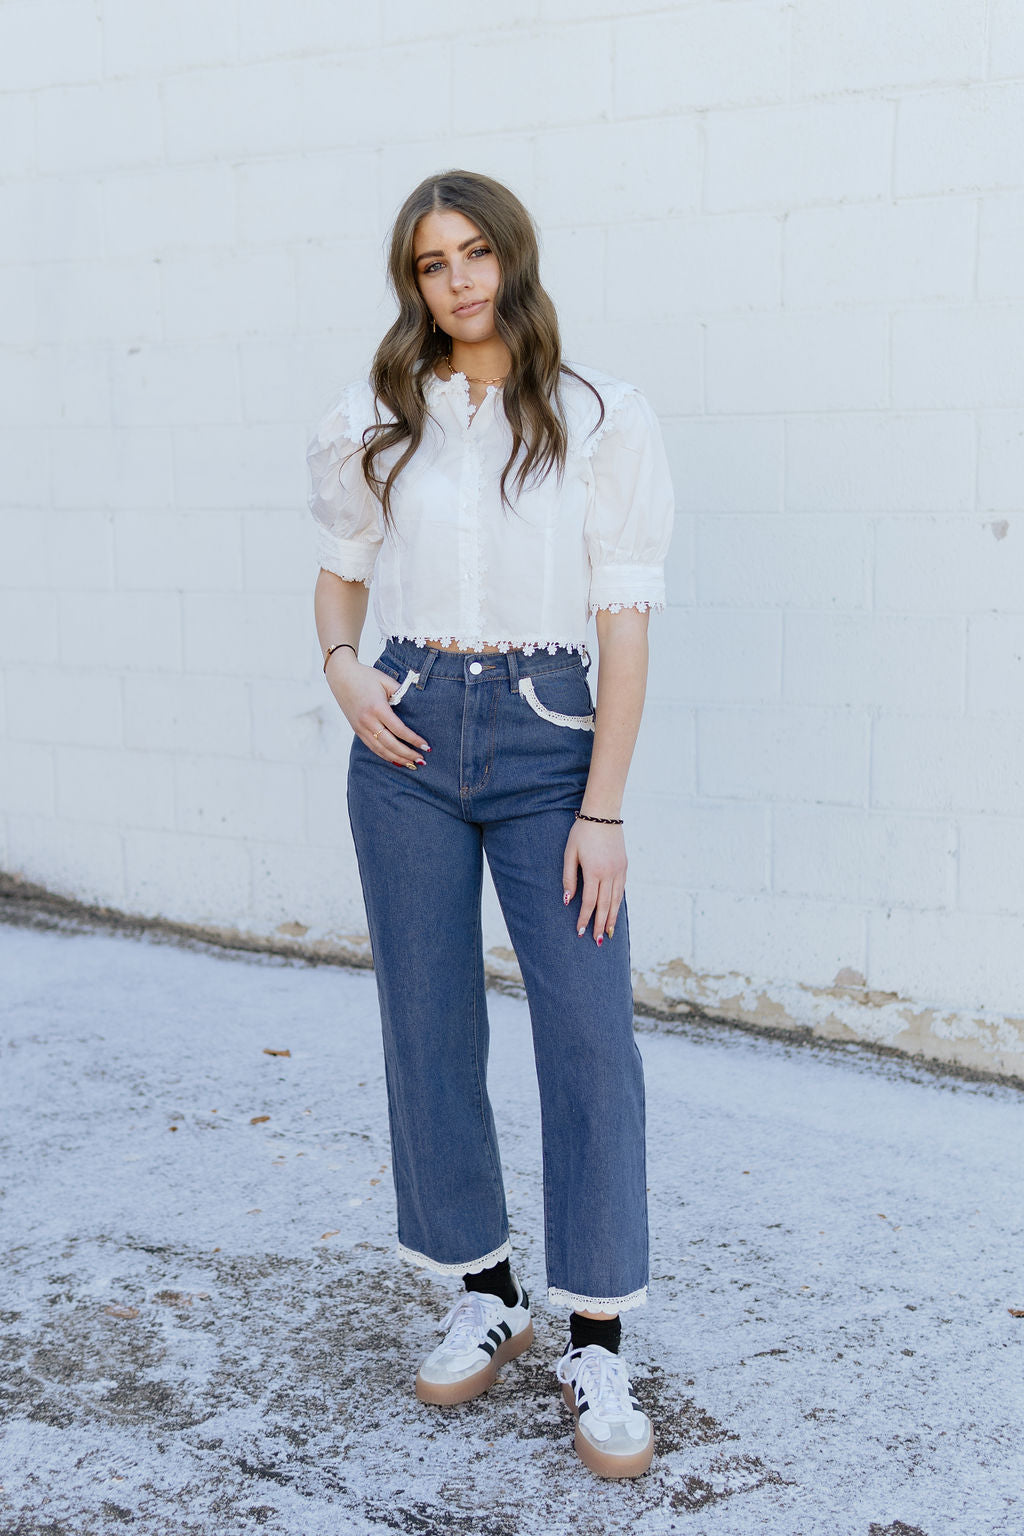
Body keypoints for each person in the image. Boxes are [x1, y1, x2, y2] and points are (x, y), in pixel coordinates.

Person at [307, 170, 674, 1479]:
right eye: (430, 263)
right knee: (428, 1020)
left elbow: (624, 627)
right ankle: (490, 1285)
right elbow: (340, 573)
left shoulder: (597, 418)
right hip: (403, 735)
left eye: (475, 254)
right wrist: (345, 670)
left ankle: (597, 1338)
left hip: (545, 737)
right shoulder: (379, 414)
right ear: (414, 284)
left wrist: (604, 808)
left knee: (586, 1036)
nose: (457, 280)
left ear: (514, 259)